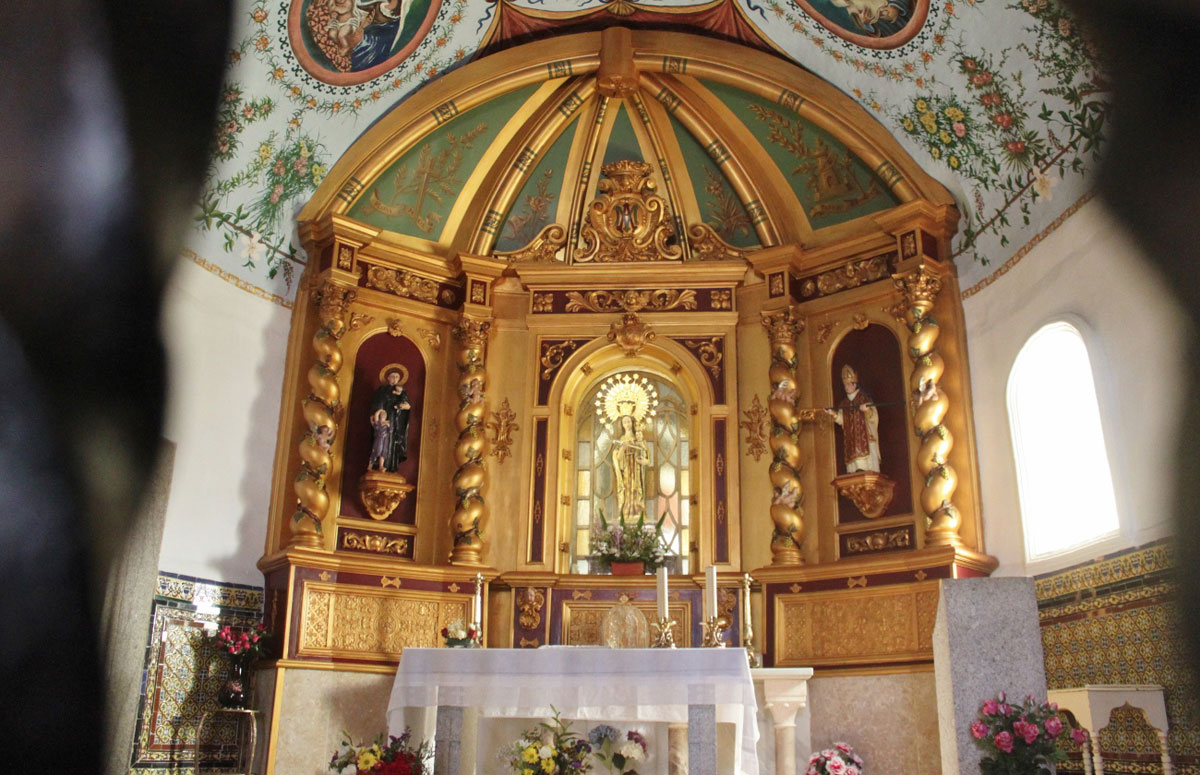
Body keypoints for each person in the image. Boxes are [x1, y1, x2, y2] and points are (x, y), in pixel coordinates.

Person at [825, 364, 881, 473]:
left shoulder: (864, 399)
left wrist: (867, 410)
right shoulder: (844, 404)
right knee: (854, 471)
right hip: (851, 443)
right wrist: (834, 414)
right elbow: (843, 420)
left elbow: (874, 417)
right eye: (845, 385)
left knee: (867, 469)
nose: (846, 387)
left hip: (865, 441)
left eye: (848, 384)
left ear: (854, 384)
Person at [369, 368, 411, 472]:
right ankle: (376, 465)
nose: (395, 379)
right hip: (382, 418)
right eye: (393, 376)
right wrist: (374, 416)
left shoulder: (402, 393)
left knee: (392, 441)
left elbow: (407, 406)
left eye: (397, 377)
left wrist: (399, 406)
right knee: (380, 441)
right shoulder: (382, 390)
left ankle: (390, 466)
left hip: (394, 419)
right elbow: (376, 405)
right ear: (388, 378)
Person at [611, 414, 650, 519]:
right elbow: (618, 457)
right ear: (622, 425)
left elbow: (647, 458)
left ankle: (638, 511)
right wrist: (623, 448)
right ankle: (627, 511)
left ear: (632, 423)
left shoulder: (638, 437)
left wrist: (641, 459)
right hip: (627, 468)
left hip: (636, 468)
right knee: (627, 488)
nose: (627, 424)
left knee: (637, 488)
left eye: (629, 421)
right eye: (625, 422)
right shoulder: (622, 439)